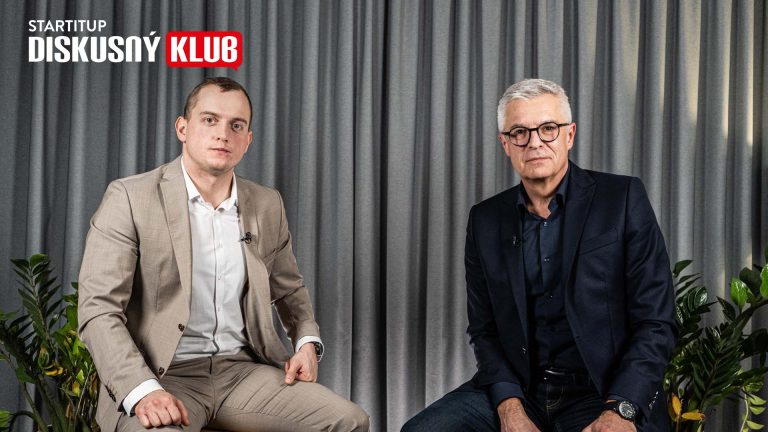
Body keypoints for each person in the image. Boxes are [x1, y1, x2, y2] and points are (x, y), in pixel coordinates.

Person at [78, 77, 369, 432]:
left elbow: (289, 289)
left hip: (242, 373)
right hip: (161, 375)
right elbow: (98, 309)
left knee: (350, 421)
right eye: (209, 120)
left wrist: (307, 342)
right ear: (183, 128)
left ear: (248, 140)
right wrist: (142, 391)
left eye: (236, 125)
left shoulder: (266, 203)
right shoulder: (129, 197)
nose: (223, 134)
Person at [401, 79, 676, 432]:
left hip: (602, 389)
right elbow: (484, 330)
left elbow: (655, 321)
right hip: (520, 388)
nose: (534, 143)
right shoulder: (485, 220)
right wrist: (509, 406)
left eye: (548, 128)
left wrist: (621, 409)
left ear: (569, 135)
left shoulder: (621, 199)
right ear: (506, 143)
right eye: (520, 132)